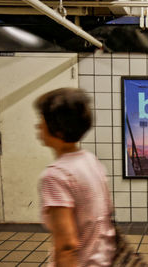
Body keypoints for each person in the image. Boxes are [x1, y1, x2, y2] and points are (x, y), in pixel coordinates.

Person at [35, 88, 116, 266]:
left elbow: (66, 245)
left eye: (41, 120)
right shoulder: (90, 160)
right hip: (103, 258)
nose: (38, 126)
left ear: (58, 131)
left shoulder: (56, 176)